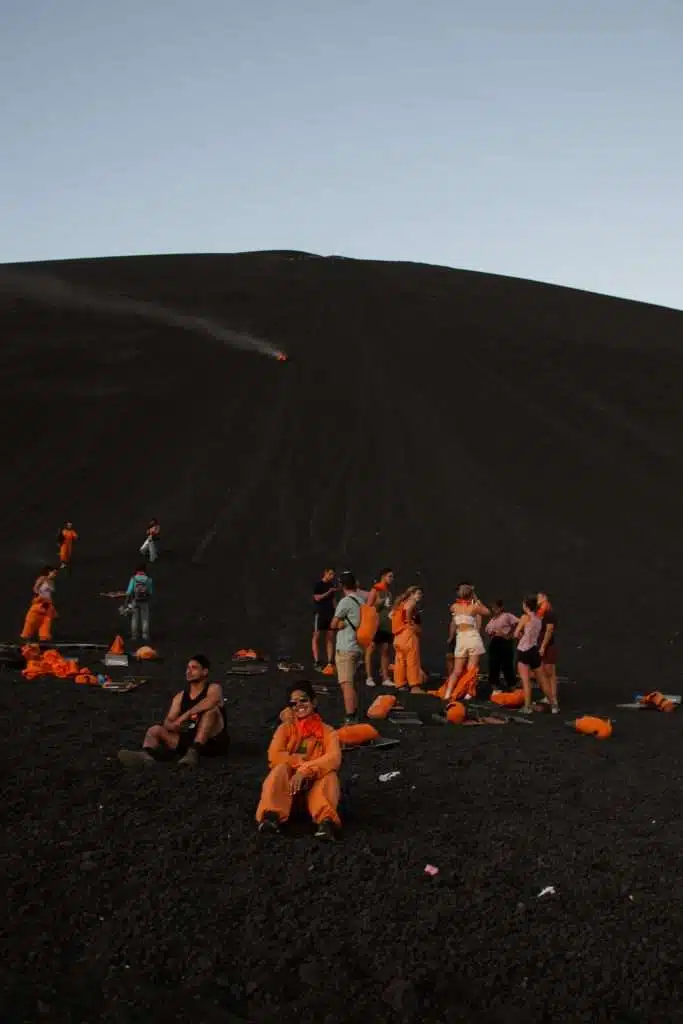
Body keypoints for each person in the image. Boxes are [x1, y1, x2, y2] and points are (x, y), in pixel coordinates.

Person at [256, 681, 341, 842]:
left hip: (313, 795)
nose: (299, 705)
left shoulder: (328, 732)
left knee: (329, 775)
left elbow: (334, 758)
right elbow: (274, 755)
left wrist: (305, 771)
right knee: (280, 769)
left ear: (314, 702)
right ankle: (271, 816)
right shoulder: (285, 728)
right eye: (293, 703)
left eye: (303, 700)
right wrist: (300, 764)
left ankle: (326, 822)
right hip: (287, 794)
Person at [117, 654, 228, 768]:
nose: (188, 671)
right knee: (154, 730)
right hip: (187, 742)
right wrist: (173, 726)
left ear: (205, 672)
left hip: (213, 744)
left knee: (211, 711)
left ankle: (194, 751)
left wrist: (184, 716)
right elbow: (168, 721)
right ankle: (146, 755)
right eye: (188, 668)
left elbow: (211, 702)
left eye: (194, 668)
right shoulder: (180, 697)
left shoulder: (214, 688)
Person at [330, 571, 366, 723]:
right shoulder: (361, 601)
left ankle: (350, 717)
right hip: (358, 646)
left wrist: (340, 623)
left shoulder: (345, 602)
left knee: (346, 684)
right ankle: (354, 713)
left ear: (341, 586)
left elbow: (333, 624)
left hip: (346, 647)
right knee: (351, 683)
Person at [443, 585, 490, 701]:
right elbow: (487, 612)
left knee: (456, 670)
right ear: (471, 595)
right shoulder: (474, 607)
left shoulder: (454, 606)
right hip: (472, 637)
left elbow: (454, 619)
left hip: (461, 638)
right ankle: (469, 693)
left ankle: (448, 693)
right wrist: (476, 598)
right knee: (471, 669)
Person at [514, 595, 555, 713]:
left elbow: (516, 634)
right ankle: (554, 705)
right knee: (543, 680)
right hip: (534, 650)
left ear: (526, 606)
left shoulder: (524, 617)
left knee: (526, 681)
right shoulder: (538, 619)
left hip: (523, 651)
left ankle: (527, 707)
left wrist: (522, 637)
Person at [390, 586, 426, 692]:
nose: (420, 596)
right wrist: (409, 622)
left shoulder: (399, 603)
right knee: (412, 659)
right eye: (418, 593)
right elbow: (409, 610)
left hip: (398, 636)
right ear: (411, 594)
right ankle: (414, 686)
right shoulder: (411, 602)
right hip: (408, 635)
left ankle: (400, 684)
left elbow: (390, 615)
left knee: (400, 660)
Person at [364, 568, 395, 687]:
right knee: (370, 649)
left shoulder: (389, 593)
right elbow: (368, 608)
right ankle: (369, 677)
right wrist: (378, 603)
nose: (392, 579)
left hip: (386, 625)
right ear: (383, 576)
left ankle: (385, 678)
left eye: (392, 577)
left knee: (385, 650)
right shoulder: (375, 590)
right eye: (390, 576)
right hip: (375, 625)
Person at [485, 600, 519, 693]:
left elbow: (518, 623)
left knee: (507, 664)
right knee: (494, 664)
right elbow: (487, 630)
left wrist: (510, 634)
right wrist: (491, 632)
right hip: (494, 642)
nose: (494, 609)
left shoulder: (507, 615)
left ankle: (512, 685)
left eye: (496, 607)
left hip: (505, 642)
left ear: (501, 608)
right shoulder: (493, 619)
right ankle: (495, 686)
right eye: (493, 608)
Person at [20, 566, 59, 642]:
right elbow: (35, 589)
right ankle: (27, 638)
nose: (55, 574)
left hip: (47, 603)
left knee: (46, 621)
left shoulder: (52, 582)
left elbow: (50, 594)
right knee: (32, 621)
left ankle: (44, 639)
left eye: (55, 573)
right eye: (54, 573)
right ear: (49, 572)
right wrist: (39, 596)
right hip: (40, 601)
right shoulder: (42, 579)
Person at [312, 568, 338, 672]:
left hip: (330, 614)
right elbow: (317, 598)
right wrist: (328, 592)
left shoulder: (331, 585)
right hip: (320, 614)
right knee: (316, 637)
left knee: (330, 637)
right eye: (330, 574)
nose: (332, 576)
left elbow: (333, 600)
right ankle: (316, 661)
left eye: (333, 574)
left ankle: (330, 662)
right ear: (325, 573)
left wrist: (337, 613)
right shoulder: (318, 584)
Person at [537, 590, 559, 710]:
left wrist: (543, 646)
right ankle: (548, 695)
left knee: (550, 672)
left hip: (548, 646)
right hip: (540, 644)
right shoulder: (539, 613)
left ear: (545, 598)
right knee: (542, 671)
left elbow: (549, 630)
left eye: (539, 598)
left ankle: (553, 698)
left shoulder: (549, 613)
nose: (537, 600)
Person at [125, 564, 153, 642]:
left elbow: (129, 591)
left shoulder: (133, 579)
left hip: (135, 600)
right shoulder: (148, 579)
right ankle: (145, 635)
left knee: (134, 618)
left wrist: (126, 601)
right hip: (144, 601)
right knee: (145, 618)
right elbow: (150, 592)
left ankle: (134, 635)